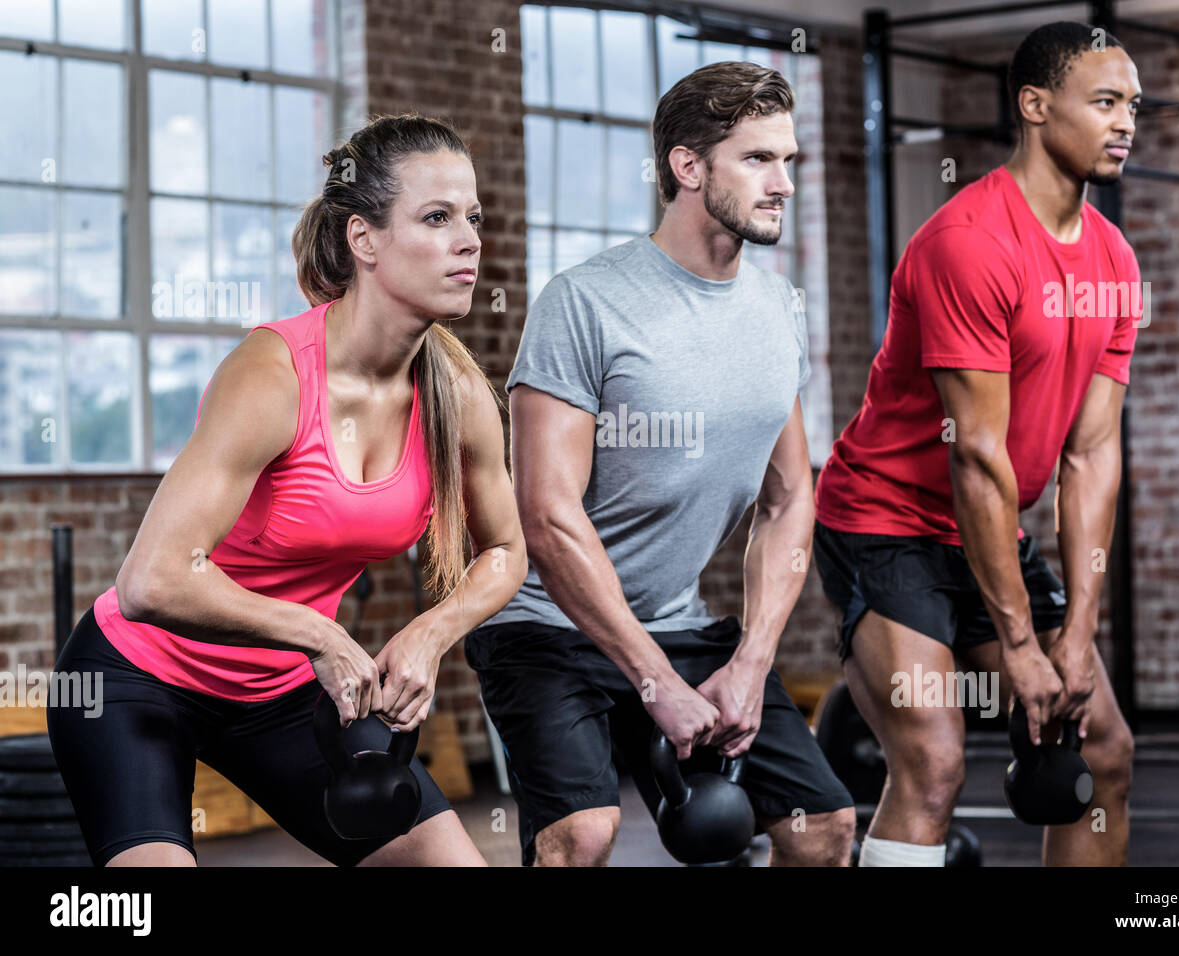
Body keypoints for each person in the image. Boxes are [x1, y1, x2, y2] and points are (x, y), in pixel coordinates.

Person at [47, 114, 528, 867]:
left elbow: (504, 549)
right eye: (437, 218)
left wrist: (432, 635)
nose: (469, 239)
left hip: (277, 696)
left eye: (472, 217)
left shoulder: (456, 391)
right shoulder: (273, 374)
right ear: (364, 241)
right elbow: (151, 580)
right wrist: (323, 635)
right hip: (137, 679)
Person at [466, 61, 856, 867]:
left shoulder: (777, 310)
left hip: (678, 623)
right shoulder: (586, 302)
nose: (783, 183)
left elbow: (789, 500)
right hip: (546, 626)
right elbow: (546, 516)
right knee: (581, 835)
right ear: (688, 167)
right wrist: (656, 685)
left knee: (825, 830)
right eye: (758, 159)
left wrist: (751, 663)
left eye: (790, 160)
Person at [814, 21, 1142, 866]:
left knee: (1100, 748)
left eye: (1132, 105)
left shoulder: (1113, 262)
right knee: (933, 760)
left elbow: (1091, 455)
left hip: (990, 533)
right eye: (1104, 102)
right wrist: (1022, 646)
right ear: (1035, 105)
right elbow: (976, 457)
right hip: (885, 523)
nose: (1125, 121)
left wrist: (1075, 638)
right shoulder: (969, 245)